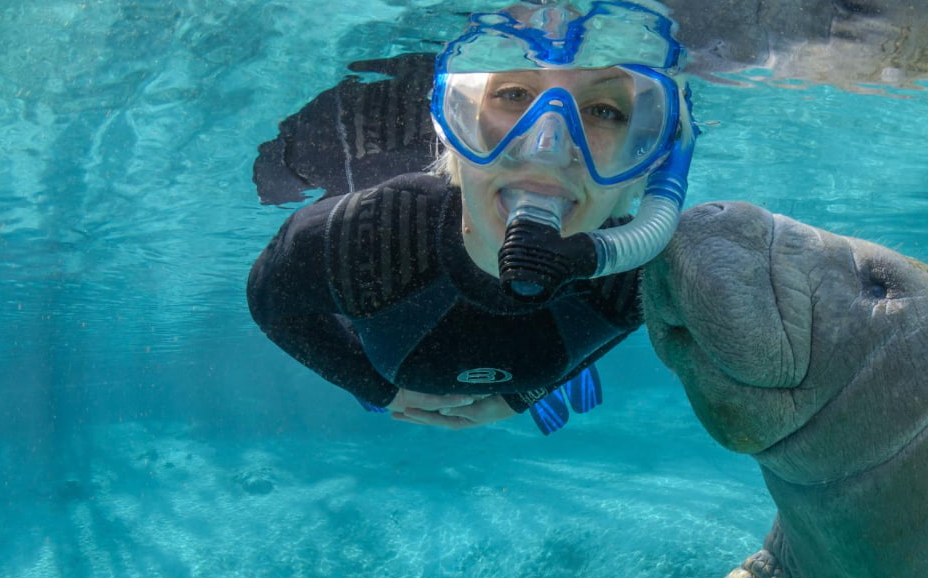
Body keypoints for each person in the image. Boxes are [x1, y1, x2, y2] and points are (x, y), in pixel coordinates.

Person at [247, 0, 696, 434]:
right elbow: (270, 302)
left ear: (647, 158)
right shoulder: (367, 232)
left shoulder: (639, 271)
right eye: (514, 94)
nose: (548, 150)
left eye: (603, 111)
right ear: (457, 124)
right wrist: (370, 384)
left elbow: (618, 322)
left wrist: (527, 394)